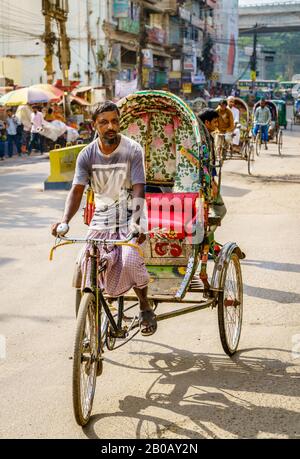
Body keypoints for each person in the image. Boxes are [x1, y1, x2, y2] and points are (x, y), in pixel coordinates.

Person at [51, 101, 157, 336]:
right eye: (104, 122)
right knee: (86, 263)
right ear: (94, 126)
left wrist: (137, 222)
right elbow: (77, 190)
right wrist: (64, 221)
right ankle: (94, 317)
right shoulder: (86, 155)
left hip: (131, 214)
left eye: (115, 121)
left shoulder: (132, 149)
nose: (111, 126)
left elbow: (140, 188)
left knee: (129, 259)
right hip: (101, 218)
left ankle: (144, 306)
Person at [198, 108, 227, 226]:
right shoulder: (204, 138)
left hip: (206, 180)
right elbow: (205, 163)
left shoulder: (204, 136)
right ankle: (207, 236)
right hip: (205, 183)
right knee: (221, 211)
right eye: (215, 122)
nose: (217, 125)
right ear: (206, 122)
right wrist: (212, 183)